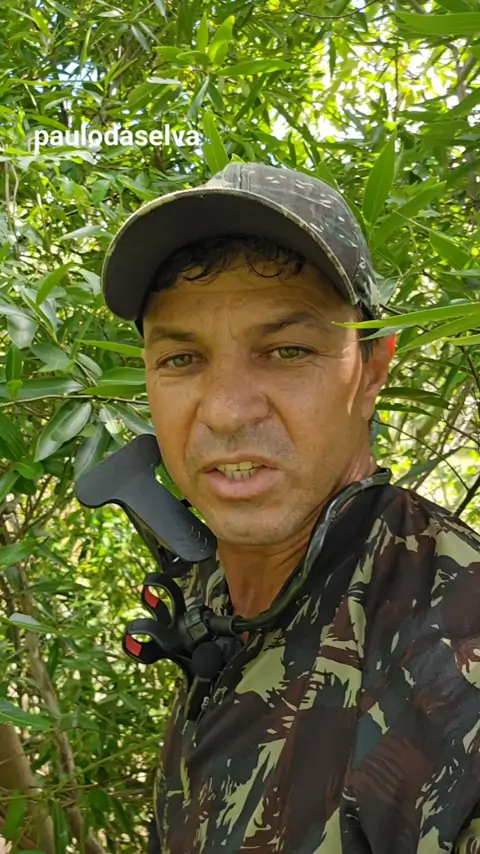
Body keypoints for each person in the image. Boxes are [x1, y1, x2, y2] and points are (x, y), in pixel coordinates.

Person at [101, 162, 480, 853]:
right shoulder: (215, 591)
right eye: (182, 359)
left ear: (373, 368)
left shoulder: (454, 645)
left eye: (286, 350)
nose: (225, 411)